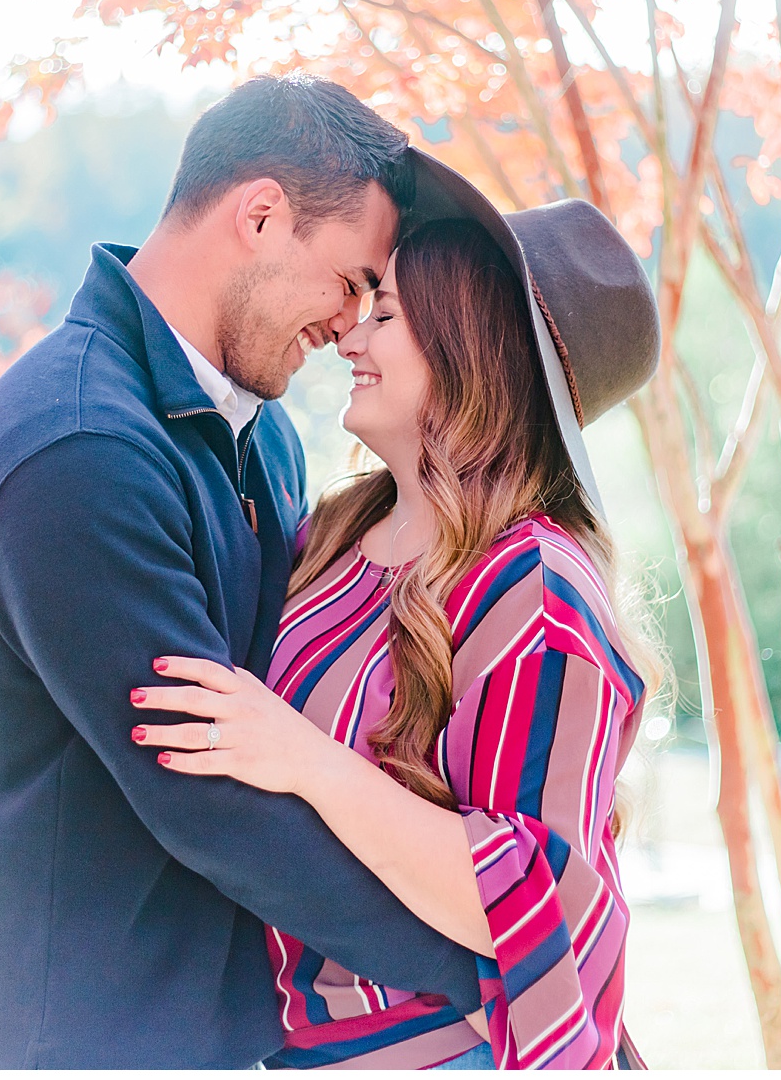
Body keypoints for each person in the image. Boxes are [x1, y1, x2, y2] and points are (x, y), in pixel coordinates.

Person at [0, 75, 486, 1069]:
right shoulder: (79, 445)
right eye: (351, 279)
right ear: (261, 217)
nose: (353, 324)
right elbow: (206, 792)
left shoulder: (262, 443)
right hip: (64, 1036)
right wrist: (484, 966)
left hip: (200, 1030)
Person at [131, 161, 663, 1069]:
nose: (349, 336)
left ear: (471, 348)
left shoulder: (532, 588)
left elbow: (538, 900)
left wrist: (304, 761)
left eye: (385, 316)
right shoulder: (336, 536)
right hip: (299, 1047)